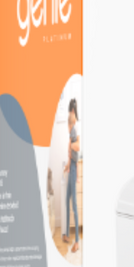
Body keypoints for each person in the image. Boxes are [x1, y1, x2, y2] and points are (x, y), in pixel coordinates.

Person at [63, 97, 81, 251]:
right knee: (67, 200)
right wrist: (67, 166)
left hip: (74, 169)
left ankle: (77, 242)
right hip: (71, 168)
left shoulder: (75, 129)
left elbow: (76, 149)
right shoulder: (72, 131)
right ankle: (67, 234)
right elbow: (70, 154)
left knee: (74, 204)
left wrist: (70, 145)